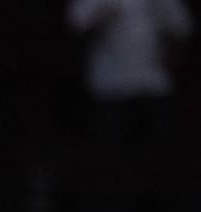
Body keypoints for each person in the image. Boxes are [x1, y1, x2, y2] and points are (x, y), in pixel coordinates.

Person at [68, 0, 191, 150]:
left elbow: (180, 25)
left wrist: (173, 57)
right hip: (110, 80)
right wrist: (102, 17)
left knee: (160, 145)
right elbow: (76, 20)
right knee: (108, 144)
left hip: (153, 79)